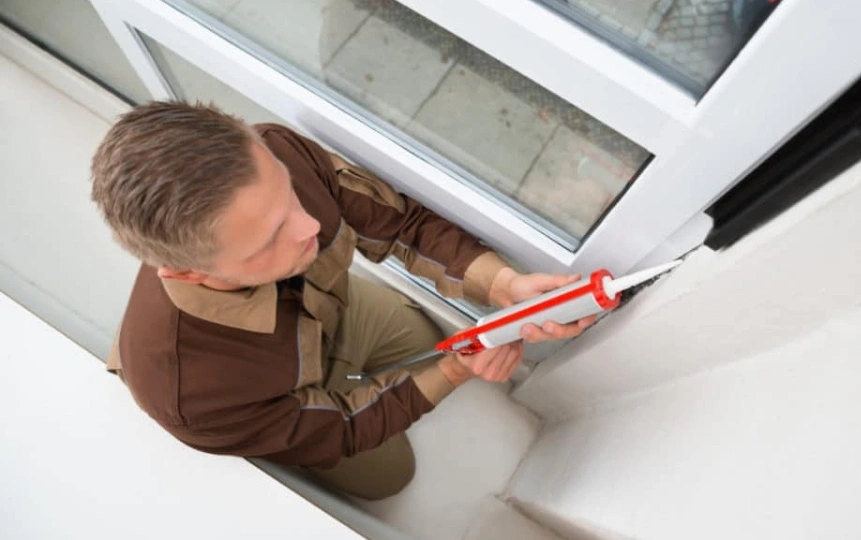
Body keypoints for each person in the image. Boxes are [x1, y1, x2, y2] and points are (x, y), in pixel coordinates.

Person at [91, 101, 594, 500]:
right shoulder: (194, 398)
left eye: (288, 194)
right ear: (188, 273)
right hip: (268, 390)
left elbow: (399, 224)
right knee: (390, 477)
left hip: (327, 319)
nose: (309, 225)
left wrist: (503, 284)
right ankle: (351, 383)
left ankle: (354, 373)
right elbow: (340, 429)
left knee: (421, 337)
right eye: (269, 240)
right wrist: (456, 371)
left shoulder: (275, 151)